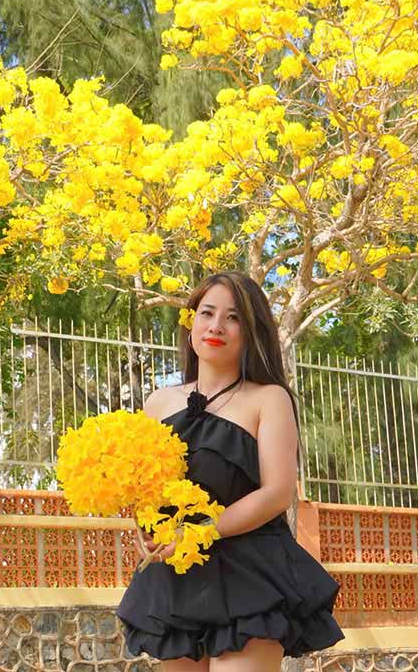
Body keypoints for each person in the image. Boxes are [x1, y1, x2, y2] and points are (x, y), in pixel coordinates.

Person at [115, 271, 345, 672]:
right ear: (190, 323)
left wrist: (201, 531)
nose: (217, 326)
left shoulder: (268, 399)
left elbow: (276, 492)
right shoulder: (157, 403)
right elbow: (144, 486)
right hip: (179, 577)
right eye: (207, 313)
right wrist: (145, 527)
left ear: (251, 330)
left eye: (234, 317)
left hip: (249, 573)